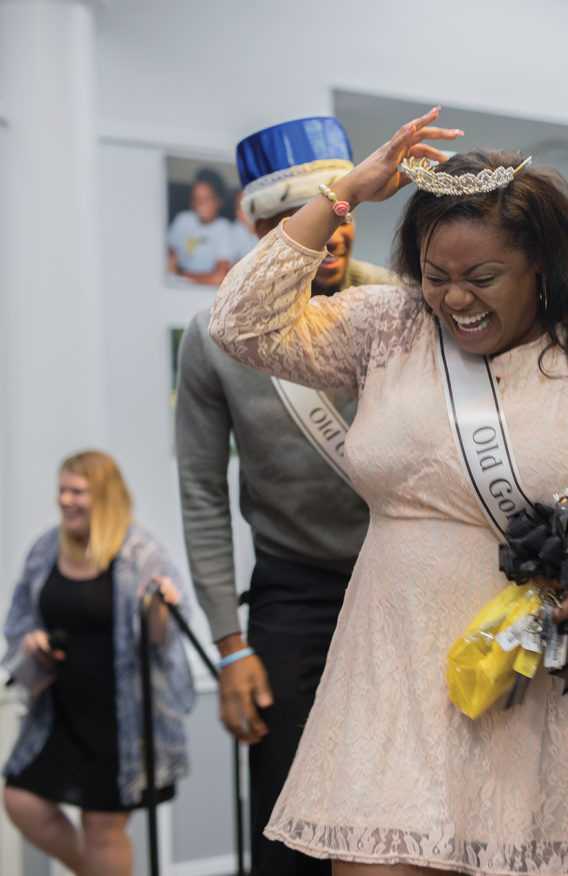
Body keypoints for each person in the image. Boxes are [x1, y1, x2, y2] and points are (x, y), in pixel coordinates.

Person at [208, 107, 568, 875]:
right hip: (395, 672)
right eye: (437, 277)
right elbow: (240, 324)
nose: (455, 300)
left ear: (541, 265)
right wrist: (346, 190)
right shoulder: (389, 325)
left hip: (549, 679)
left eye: (483, 278)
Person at [174, 115, 399, 876]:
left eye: (344, 211)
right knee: (288, 825)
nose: (334, 232)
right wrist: (229, 644)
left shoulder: (401, 306)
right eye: (311, 212)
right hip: (293, 593)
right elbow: (202, 492)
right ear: (265, 226)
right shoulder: (213, 336)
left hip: (406, 579)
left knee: (412, 806)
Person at [2, 450, 194, 876]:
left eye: (77, 491)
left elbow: (165, 636)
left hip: (120, 720)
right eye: (62, 491)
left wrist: (162, 605)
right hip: (58, 715)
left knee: (102, 826)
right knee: (20, 798)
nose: (65, 500)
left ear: (105, 496)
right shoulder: (45, 548)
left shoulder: (139, 552)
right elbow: (18, 618)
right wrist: (30, 638)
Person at [167, 166, 235, 285]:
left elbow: (220, 278)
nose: (200, 204)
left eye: (206, 198)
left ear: (219, 201)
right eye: (196, 198)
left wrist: (181, 274)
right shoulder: (183, 219)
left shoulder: (224, 228)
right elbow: (168, 256)